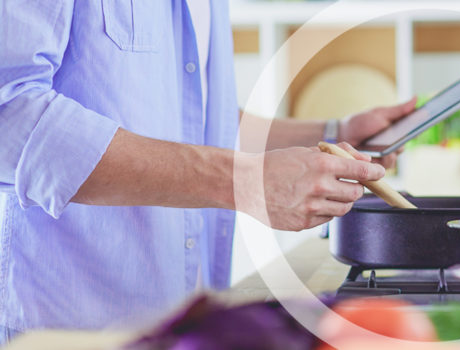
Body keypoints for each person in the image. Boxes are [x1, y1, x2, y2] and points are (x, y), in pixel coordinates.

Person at [0, 0, 413, 342]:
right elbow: (10, 116)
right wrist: (240, 182)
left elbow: (191, 118)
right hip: (66, 331)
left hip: (182, 323)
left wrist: (333, 134)